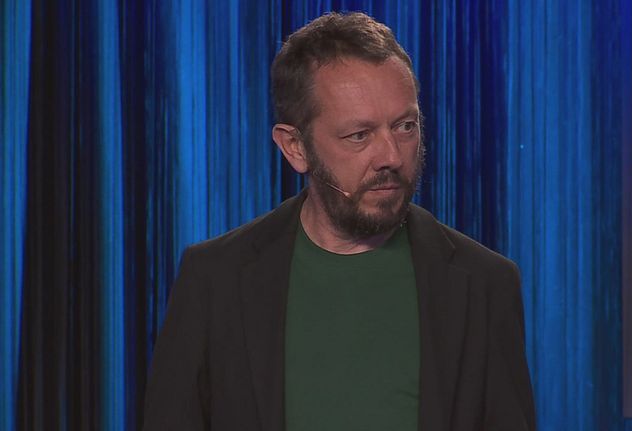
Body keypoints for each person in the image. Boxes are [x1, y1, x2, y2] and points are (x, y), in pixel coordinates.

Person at [143, 11, 535, 431]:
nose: (391, 156)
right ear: (295, 147)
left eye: (405, 126)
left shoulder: (486, 284)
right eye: (359, 135)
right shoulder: (214, 279)